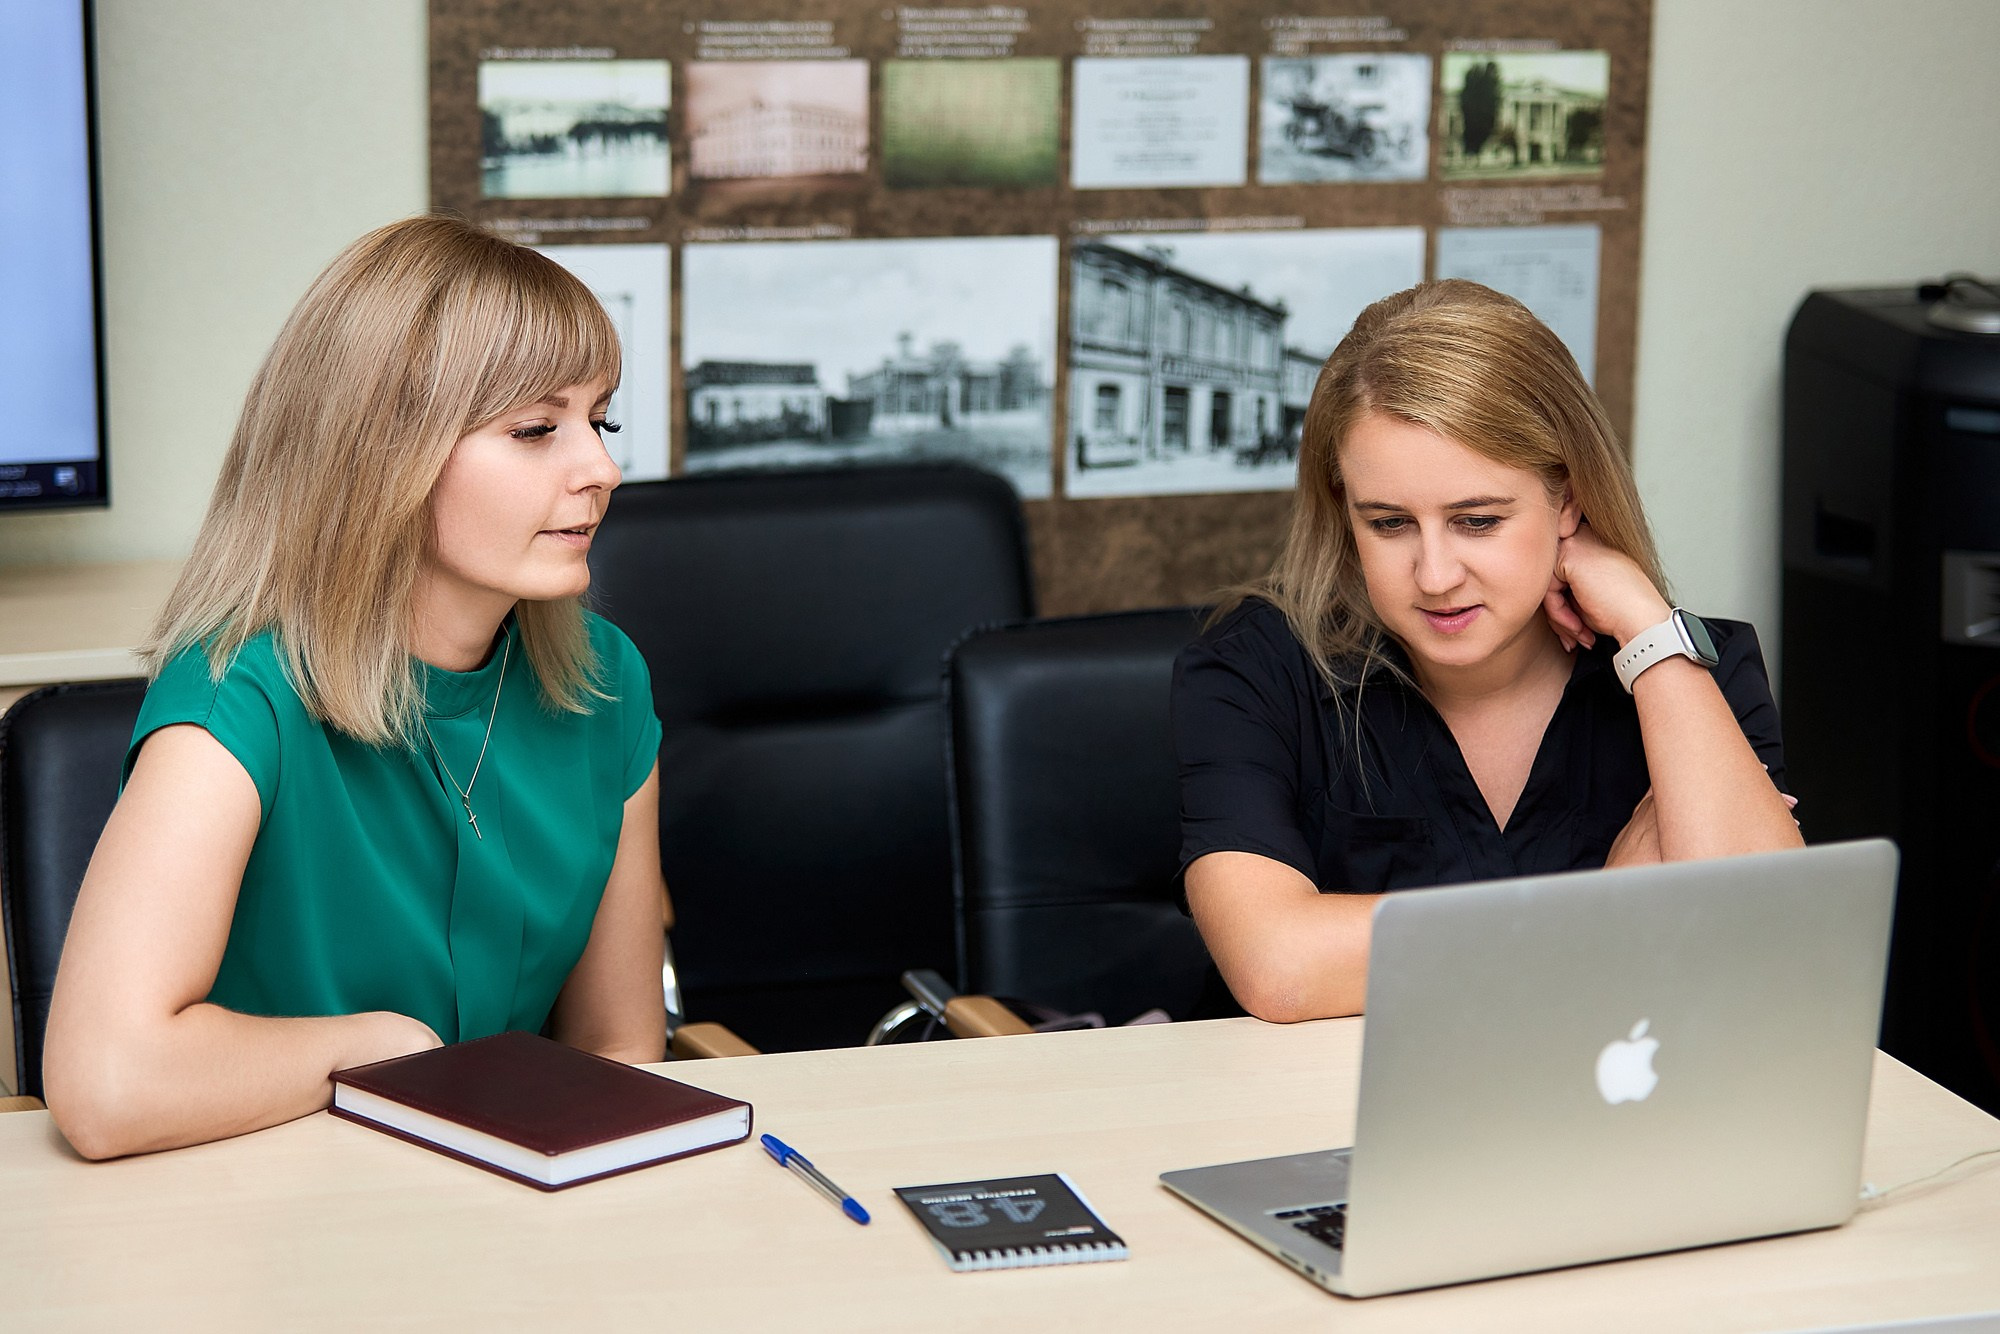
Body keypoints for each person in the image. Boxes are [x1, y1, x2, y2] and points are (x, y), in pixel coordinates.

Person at [43, 215, 666, 1159]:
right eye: (538, 428)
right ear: (383, 453)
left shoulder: (604, 679)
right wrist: (388, 1050)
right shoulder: (240, 692)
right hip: (258, 1209)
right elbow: (107, 1084)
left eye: (600, 419)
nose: (603, 470)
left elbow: (620, 1044)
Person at [1174, 280, 1803, 1024]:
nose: (1435, 576)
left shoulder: (1690, 667)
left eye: (1477, 521)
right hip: (1316, 1122)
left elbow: (1765, 943)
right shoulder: (1255, 667)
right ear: (1345, 510)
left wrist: (1647, 625)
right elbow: (1280, 969)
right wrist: (1610, 907)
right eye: (1389, 524)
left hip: (1608, 1122)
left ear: (1566, 500)